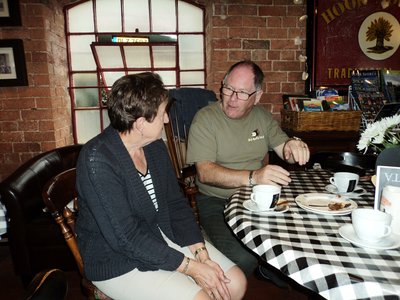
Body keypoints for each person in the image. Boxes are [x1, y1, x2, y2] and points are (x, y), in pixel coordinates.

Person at [75, 72, 246, 300]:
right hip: (116, 259)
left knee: (235, 283)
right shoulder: (97, 159)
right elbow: (126, 238)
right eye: (162, 113)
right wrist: (191, 268)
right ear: (140, 123)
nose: (167, 119)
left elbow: (175, 205)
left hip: (159, 236)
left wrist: (201, 254)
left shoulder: (153, 147)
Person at [186, 60, 310, 280]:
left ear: (258, 96)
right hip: (216, 200)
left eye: (242, 93)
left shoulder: (261, 117)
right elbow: (205, 173)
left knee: (304, 233)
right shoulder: (205, 119)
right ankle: (262, 266)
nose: (232, 98)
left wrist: (293, 144)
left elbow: (285, 150)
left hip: (258, 197)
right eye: (229, 89)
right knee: (244, 257)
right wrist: (254, 177)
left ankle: (270, 267)